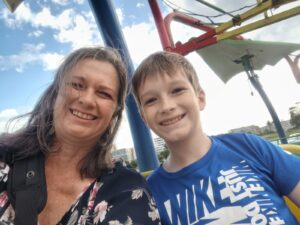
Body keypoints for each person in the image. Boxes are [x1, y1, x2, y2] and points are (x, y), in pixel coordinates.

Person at [131, 51, 300, 225]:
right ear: (144, 117)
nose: (166, 106)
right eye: (151, 100)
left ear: (200, 98)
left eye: (177, 90)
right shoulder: (150, 194)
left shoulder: (249, 146)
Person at [0, 46, 161, 225]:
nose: (86, 100)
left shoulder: (126, 191)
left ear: (115, 113)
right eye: (77, 85)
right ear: (55, 94)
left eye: (103, 93)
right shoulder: (5, 156)